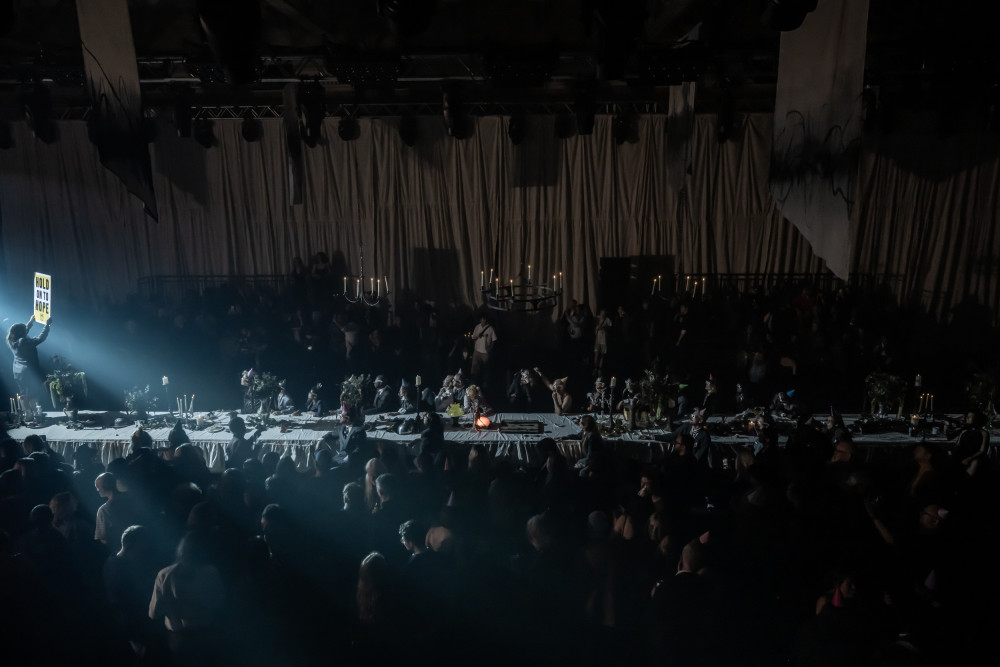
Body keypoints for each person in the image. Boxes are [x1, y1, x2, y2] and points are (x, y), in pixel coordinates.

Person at [7, 315, 51, 415]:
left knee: (23, 394)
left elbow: (22, 331)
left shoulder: (11, 340)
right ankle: (36, 414)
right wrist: (47, 325)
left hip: (17, 372)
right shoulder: (24, 341)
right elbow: (40, 339)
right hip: (28, 372)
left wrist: (31, 322)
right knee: (33, 394)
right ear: (22, 333)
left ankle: (27, 414)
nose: (26, 331)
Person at [470, 314, 497, 384]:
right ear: (480, 320)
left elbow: (494, 340)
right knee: (474, 367)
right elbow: (473, 337)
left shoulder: (490, 329)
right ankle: (473, 381)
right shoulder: (477, 327)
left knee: (486, 368)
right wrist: (474, 345)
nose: (483, 321)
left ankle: (486, 383)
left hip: (485, 352)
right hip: (477, 351)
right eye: (482, 319)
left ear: (486, 320)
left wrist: (490, 349)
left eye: (484, 319)